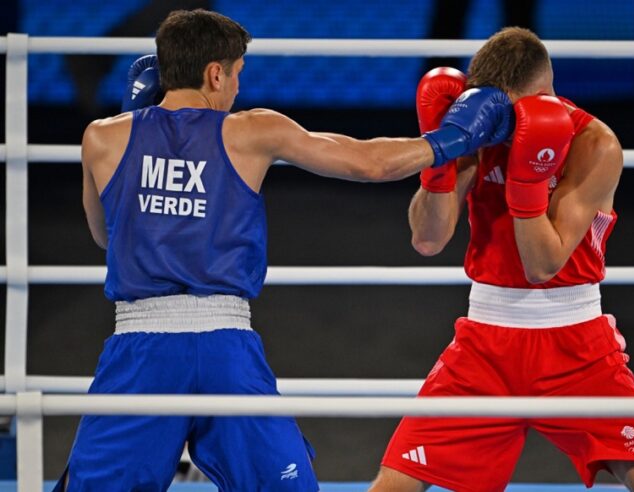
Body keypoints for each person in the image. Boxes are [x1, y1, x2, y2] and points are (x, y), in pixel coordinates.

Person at [55, 9, 512, 492]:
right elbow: (369, 164)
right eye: (235, 76)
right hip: (224, 350)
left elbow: (107, 236)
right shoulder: (253, 131)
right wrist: (452, 140)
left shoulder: (102, 137)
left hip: (139, 350)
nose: (236, 91)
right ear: (215, 73)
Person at [370, 27, 634, 492]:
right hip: (484, 343)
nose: (501, 124)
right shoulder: (479, 130)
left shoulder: (596, 145)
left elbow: (543, 264)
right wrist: (440, 154)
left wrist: (528, 175)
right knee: (391, 486)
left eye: (513, 113)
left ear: (543, 96)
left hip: (577, 346)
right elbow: (428, 239)